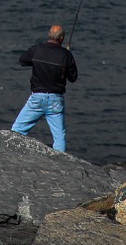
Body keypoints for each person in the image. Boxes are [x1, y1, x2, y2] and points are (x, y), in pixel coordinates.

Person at [11, 23, 77, 152]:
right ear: (62, 38)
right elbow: (73, 78)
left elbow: (22, 60)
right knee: (59, 137)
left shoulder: (37, 49)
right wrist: (65, 60)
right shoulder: (65, 55)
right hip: (56, 100)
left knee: (17, 130)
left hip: (37, 97)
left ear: (49, 35)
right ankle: (61, 163)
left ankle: (9, 154)